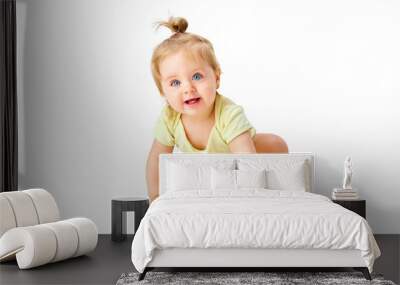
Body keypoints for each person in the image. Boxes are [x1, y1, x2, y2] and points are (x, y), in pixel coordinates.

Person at [146, 17, 288, 203]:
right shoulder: (170, 117)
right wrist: (155, 197)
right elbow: (156, 161)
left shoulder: (229, 114)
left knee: (275, 145)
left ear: (217, 78)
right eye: (175, 82)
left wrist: (248, 198)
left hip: (246, 154)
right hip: (211, 170)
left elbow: (247, 163)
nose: (188, 88)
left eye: (197, 76)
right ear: (162, 91)